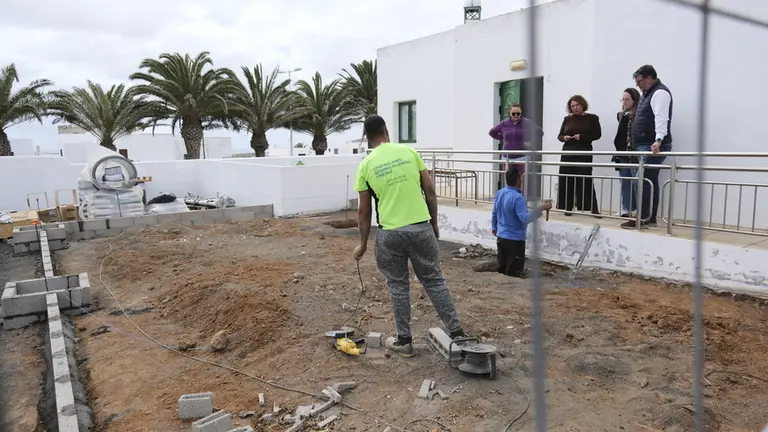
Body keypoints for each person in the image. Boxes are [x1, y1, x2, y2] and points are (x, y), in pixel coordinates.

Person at [352, 115, 466, 357]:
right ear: (385, 130)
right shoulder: (409, 153)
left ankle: (404, 341)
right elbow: (430, 190)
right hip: (420, 228)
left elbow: (364, 211)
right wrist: (434, 223)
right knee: (434, 280)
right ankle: (457, 333)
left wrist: (362, 244)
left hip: (390, 234)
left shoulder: (365, 165)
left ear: (367, 137)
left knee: (397, 285)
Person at [621, 65, 673, 229]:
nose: (638, 85)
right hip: (645, 144)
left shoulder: (659, 93)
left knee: (642, 179)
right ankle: (648, 217)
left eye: (640, 81)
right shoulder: (647, 94)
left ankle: (643, 217)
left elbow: (661, 117)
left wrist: (658, 139)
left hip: (651, 145)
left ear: (650, 78)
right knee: (649, 179)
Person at [491, 165, 552, 278]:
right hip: (515, 240)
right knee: (513, 273)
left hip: (501, 237)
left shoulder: (500, 193)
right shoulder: (518, 198)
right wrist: (541, 208)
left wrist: (494, 227)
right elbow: (525, 218)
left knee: (502, 269)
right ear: (518, 179)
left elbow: (494, 212)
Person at [556, 95, 602, 217]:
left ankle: (592, 207)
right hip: (568, 152)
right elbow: (559, 136)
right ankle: (567, 207)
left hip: (583, 151)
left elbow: (597, 134)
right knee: (567, 179)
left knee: (585, 178)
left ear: (582, 105)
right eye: (572, 106)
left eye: (577, 105)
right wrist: (564, 138)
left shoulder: (592, 118)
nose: (575, 108)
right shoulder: (567, 119)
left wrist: (581, 137)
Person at [489, 103, 544, 176]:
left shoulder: (527, 122)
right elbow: (492, 132)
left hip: (522, 157)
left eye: (518, 113)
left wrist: (531, 142)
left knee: (521, 180)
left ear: (521, 113)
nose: (516, 115)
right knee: (508, 180)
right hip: (507, 157)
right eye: (513, 113)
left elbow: (539, 132)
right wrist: (502, 138)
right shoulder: (504, 123)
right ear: (509, 113)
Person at [613, 88, 641, 218]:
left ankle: (639, 210)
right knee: (625, 182)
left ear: (634, 100)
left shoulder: (638, 115)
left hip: (633, 153)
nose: (624, 102)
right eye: (623, 99)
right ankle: (626, 208)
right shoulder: (621, 115)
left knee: (636, 182)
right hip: (622, 153)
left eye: (627, 99)